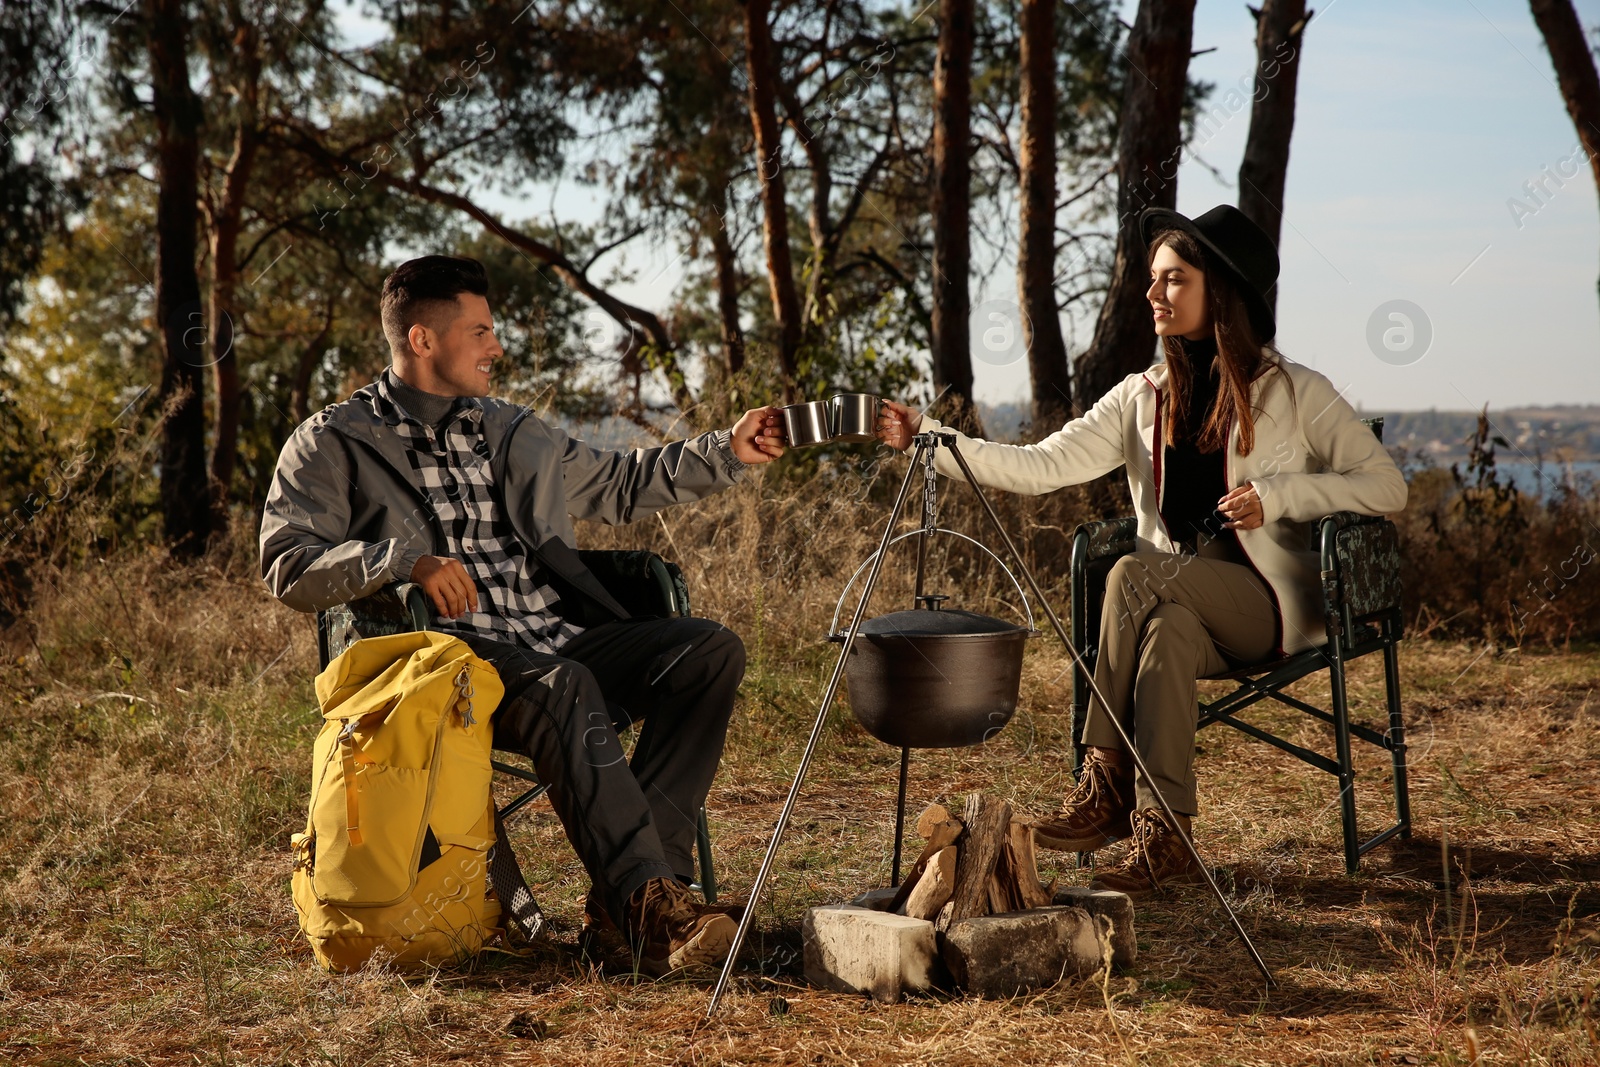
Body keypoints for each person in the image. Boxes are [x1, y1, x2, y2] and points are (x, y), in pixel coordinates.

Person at [260, 255, 787, 974]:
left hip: (556, 642)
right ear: (422, 340)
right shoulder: (334, 442)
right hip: (445, 671)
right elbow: (287, 562)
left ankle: (636, 903)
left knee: (707, 652)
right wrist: (401, 562)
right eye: (480, 331)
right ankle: (647, 906)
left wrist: (727, 449)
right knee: (563, 683)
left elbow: (621, 481)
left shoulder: (513, 431)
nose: (496, 348)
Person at [876, 205, 1407, 897]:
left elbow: (1386, 485)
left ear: (1219, 289)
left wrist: (1280, 494)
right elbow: (1039, 466)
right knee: (1165, 636)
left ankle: (1103, 782)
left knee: (1129, 574)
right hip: (1182, 604)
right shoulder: (1140, 397)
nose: (1152, 294)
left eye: (1173, 279)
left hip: (1270, 603)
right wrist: (930, 438)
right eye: (1153, 279)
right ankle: (1167, 837)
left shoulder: (1297, 391)